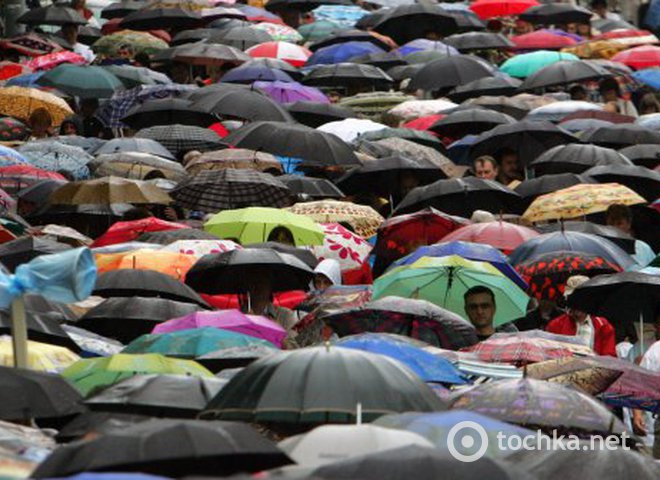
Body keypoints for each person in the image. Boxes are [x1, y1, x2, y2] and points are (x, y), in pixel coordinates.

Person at [546, 275, 617, 356]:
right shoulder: (556, 325)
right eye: (572, 298)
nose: (576, 303)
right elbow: (548, 355)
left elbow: (609, 358)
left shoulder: (603, 326)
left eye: (581, 298)